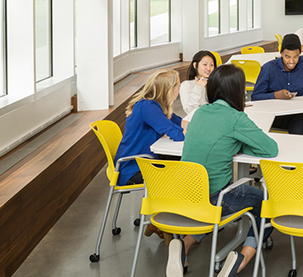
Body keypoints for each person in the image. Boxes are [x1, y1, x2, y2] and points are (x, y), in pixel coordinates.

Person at [176, 64, 279, 277]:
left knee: (207, 209)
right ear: (237, 90)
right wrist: (241, 143)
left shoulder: (200, 113)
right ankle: (242, 259)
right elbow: (270, 149)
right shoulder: (235, 118)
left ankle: (183, 245)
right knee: (269, 203)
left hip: (185, 194)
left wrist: (235, 144)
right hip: (216, 197)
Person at [115, 69, 186, 188]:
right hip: (134, 168)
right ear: (169, 90)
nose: (179, 91)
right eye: (178, 87)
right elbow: (177, 135)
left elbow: (179, 122)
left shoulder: (156, 105)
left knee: (185, 162)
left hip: (146, 159)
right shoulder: (148, 107)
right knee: (189, 168)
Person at [250, 33, 303, 136]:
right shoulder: (268, 68)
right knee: (297, 119)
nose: (291, 61)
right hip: (276, 115)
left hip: (300, 112)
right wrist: (275, 95)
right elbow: (255, 97)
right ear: (281, 53)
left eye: (296, 57)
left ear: (300, 53)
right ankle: (299, 150)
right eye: (287, 57)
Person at [179, 50, 216, 115]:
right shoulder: (186, 85)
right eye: (205, 64)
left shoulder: (216, 82)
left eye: (211, 65)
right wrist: (198, 88)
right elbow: (190, 111)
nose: (208, 68)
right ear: (195, 65)